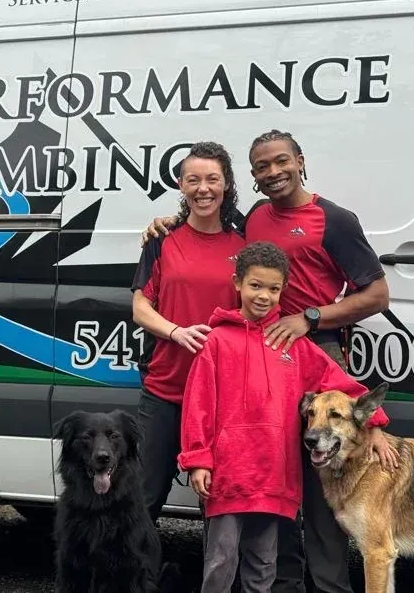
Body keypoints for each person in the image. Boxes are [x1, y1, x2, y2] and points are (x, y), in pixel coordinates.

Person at [142, 129, 394, 593]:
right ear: (253, 176)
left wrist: (309, 319)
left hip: (310, 351)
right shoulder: (255, 217)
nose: (274, 172)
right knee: (269, 486)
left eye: (282, 161)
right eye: (262, 166)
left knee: (318, 490)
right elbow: (205, 217)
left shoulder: (333, 219)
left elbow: (377, 294)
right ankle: (283, 583)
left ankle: (326, 586)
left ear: (301, 160)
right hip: (255, 351)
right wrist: (167, 223)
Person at [177, 242, 397, 593]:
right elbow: (198, 405)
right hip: (229, 476)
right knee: (220, 561)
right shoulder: (217, 342)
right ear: (237, 283)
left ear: (284, 290)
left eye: (274, 289)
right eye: (255, 286)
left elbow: (343, 386)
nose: (264, 296)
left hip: (274, 477)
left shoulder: (294, 345)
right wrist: (198, 460)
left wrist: (375, 425)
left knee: (264, 563)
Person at [131, 141, 246, 525]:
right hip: (166, 390)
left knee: (218, 505)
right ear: (181, 185)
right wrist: (176, 332)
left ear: (226, 184)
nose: (203, 189)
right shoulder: (162, 240)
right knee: (144, 498)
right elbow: (140, 308)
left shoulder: (244, 246)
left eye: (212, 179)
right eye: (193, 180)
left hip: (221, 396)